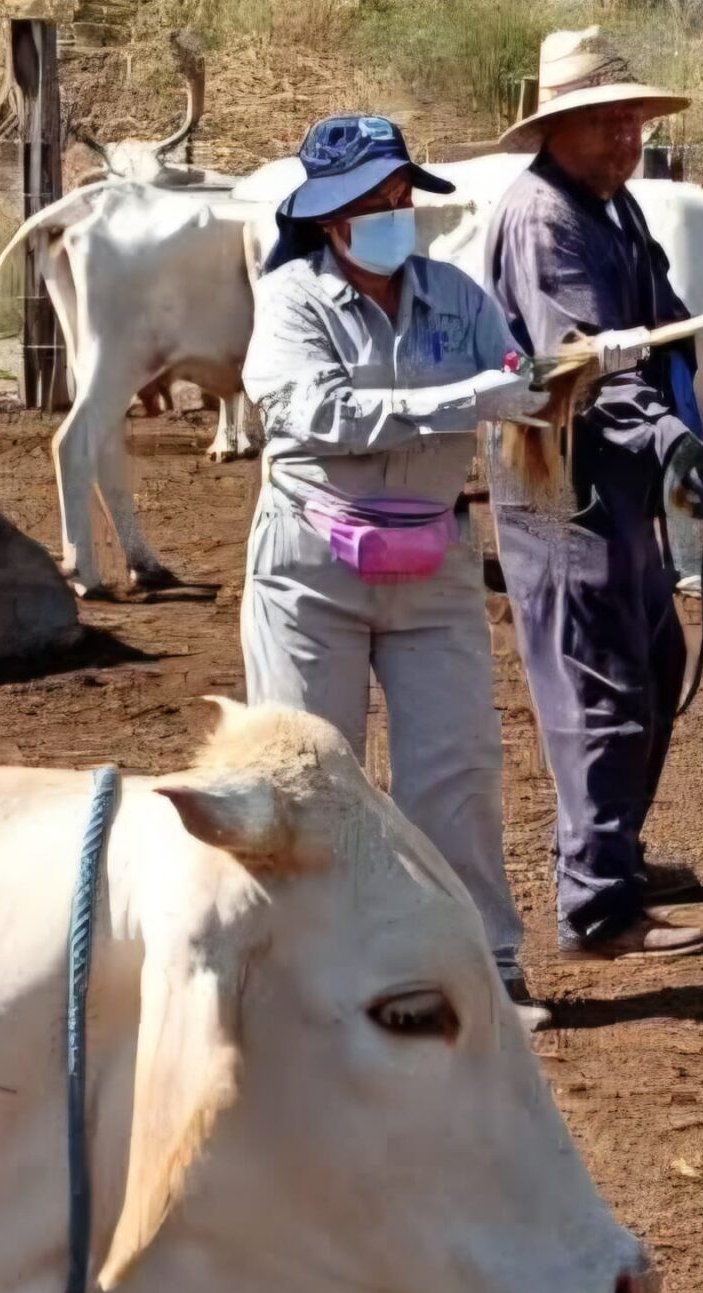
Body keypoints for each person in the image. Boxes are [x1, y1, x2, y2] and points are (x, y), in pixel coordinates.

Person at [241, 113, 550, 1005]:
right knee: (304, 771)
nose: (392, 211)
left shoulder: (457, 296)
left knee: (457, 771)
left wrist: (557, 380)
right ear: (329, 220)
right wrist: (465, 400)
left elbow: (515, 379)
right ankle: (305, 976)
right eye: (371, 200)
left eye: (400, 194)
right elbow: (312, 415)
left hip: (436, 559)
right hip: (313, 564)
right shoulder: (292, 300)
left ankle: (482, 967)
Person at [484, 29, 703, 958]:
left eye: (634, 120)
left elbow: (658, 327)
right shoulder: (545, 219)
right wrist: (667, 435)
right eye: (608, 122)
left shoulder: (613, 207)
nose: (628, 138)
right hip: (563, 485)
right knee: (600, 690)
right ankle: (596, 907)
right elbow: (583, 360)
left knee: (653, 667)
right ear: (560, 128)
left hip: (616, 474)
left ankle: (609, 850)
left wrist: (684, 417)